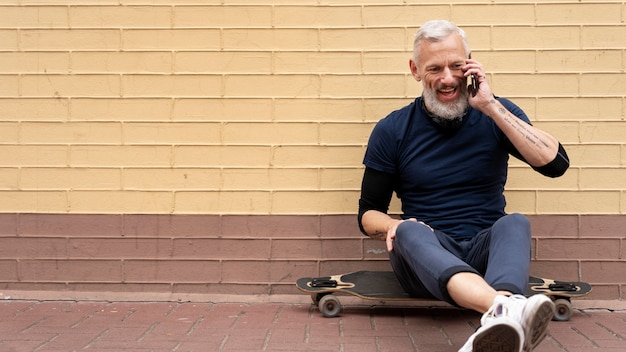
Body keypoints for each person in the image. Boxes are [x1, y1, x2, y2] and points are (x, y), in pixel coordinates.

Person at [357, 20, 570, 352]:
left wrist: (490, 106)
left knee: (515, 222)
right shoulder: (393, 130)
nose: (447, 78)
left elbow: (556, 165)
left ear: (470, 63)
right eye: (435, 68)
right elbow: (368, 214)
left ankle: (499, 313)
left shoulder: (496, 113)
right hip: (425, 262)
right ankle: (508, 307)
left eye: (457, 65)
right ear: (415, 70)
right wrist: (393, 226)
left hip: (486, 260)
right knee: (409, 230)